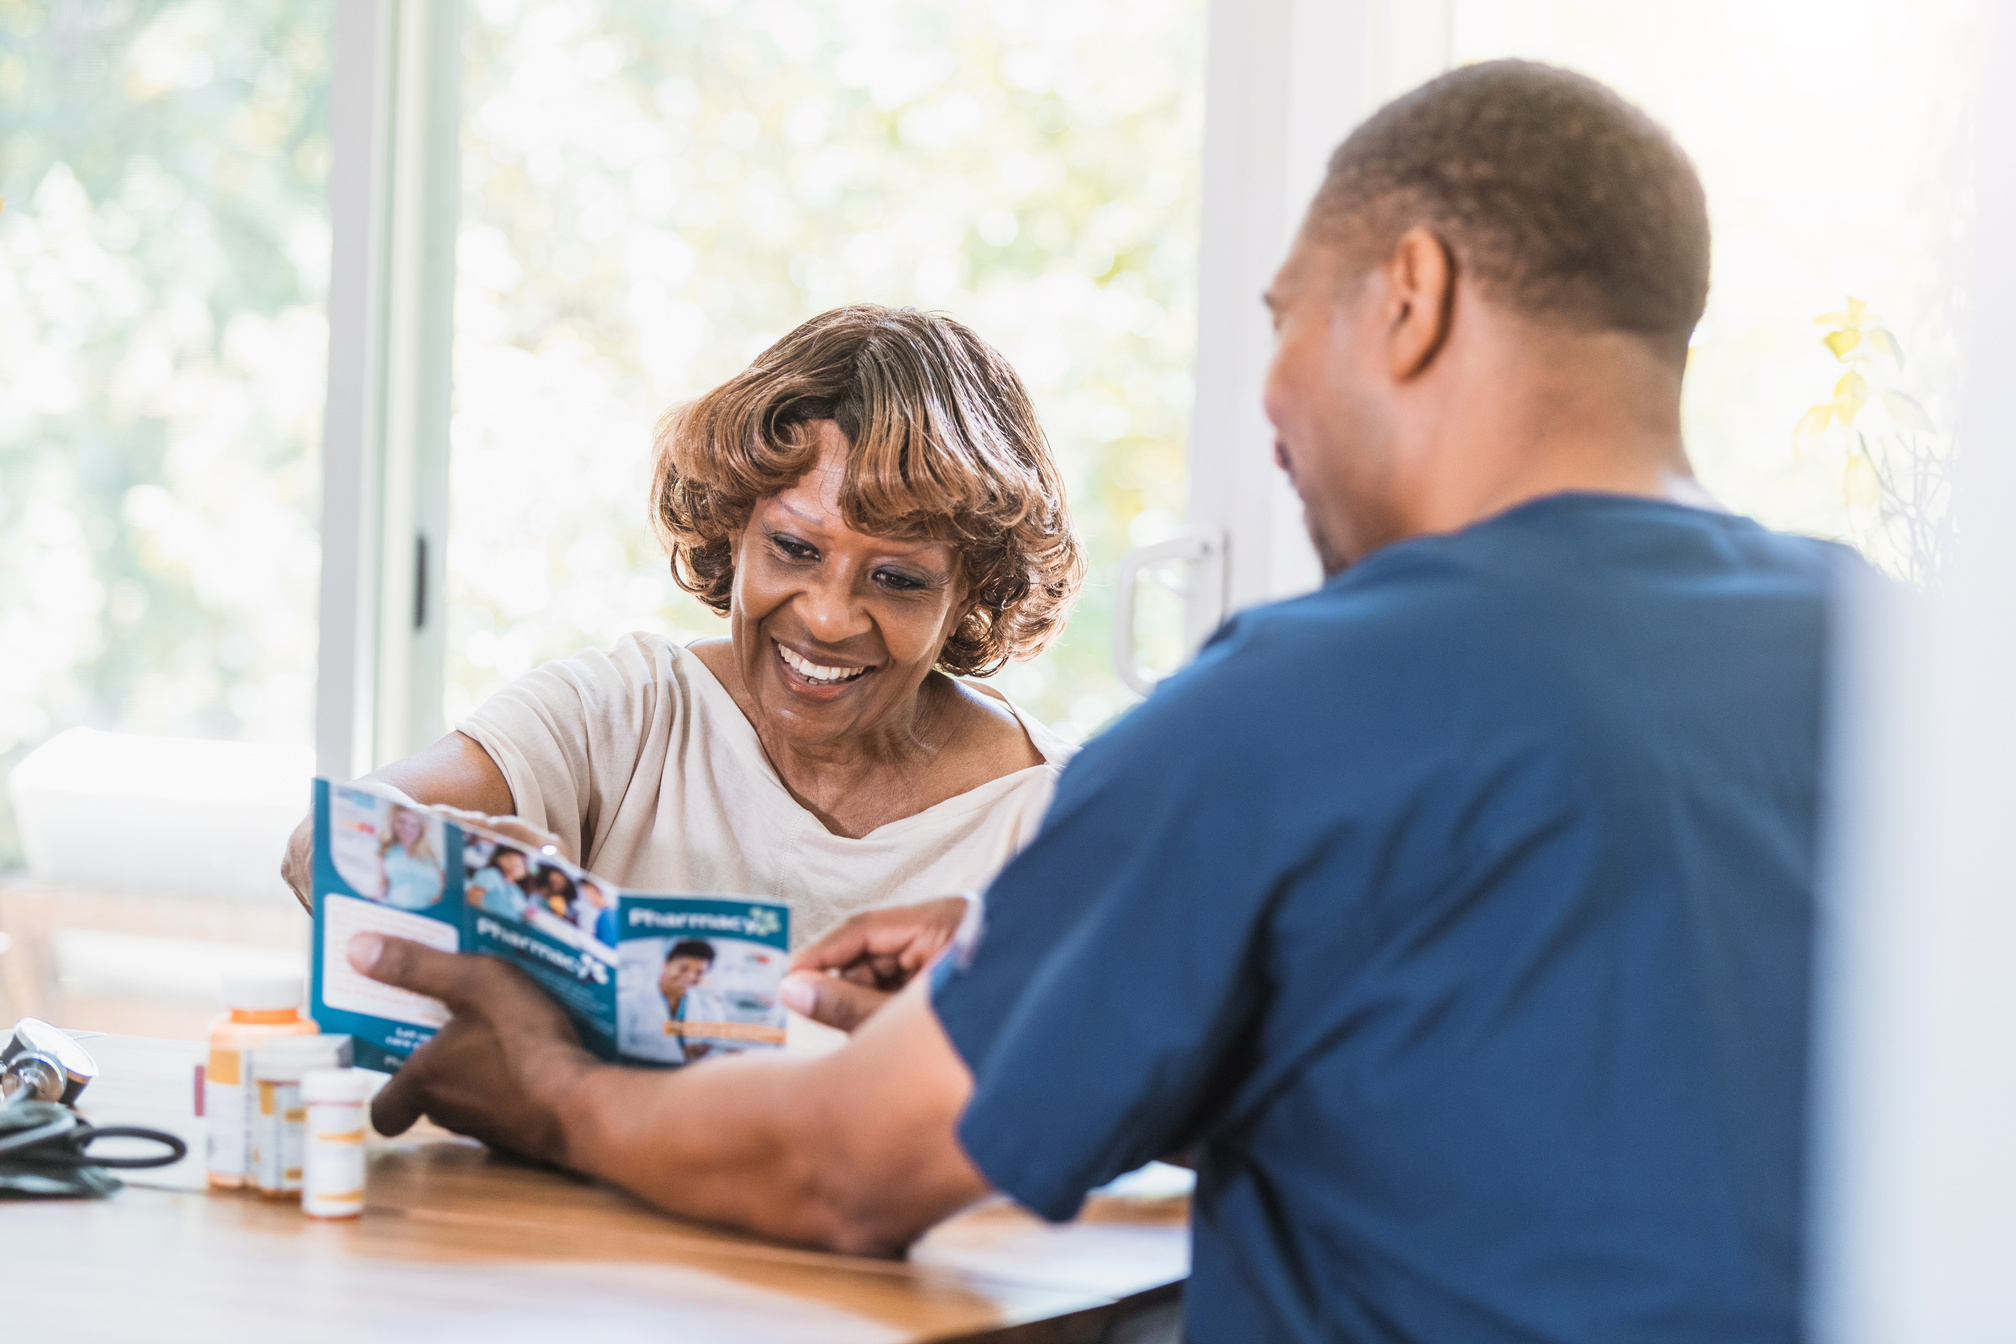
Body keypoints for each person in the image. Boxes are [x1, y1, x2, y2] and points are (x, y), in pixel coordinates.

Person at [348, 61, 1848, 1343]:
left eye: (1284, 317)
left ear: (1408, 300)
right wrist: (1052, 967)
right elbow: (1527, 1094)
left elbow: (845, 1177)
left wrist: (542, 1089)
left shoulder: (1293, 708)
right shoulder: (1910, 672)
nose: (1267, 406)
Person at [283, 305, 1084, 944]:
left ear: (972, 589)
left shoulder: (1050, 822)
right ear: (735, 527)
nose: (829, 616)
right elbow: (336, 841)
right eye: (795, 548)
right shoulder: (627, 716)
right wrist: (411, 857)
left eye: (898, 579)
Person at [376, 805, 444, 910]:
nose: (407, 828)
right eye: (402, 822)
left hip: (428, 912)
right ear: (394, 823)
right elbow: (383, 883)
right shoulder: (386, 849)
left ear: (420, 830)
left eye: (413, 825)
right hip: (394, 908)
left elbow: (443, 889)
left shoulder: (432, 857)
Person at [659, 939, 717, 1064]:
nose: (690, 976)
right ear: (666, 964)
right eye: (683, 968)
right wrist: (679, 1054)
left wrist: (701, 1050)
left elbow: (714, 1043)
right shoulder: (629, 1001)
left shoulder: (707, 1005)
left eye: (699, 972)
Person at [464, 847, 532, 921]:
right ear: (500, 859)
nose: (519, 866)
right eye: (509, 857)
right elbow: (473, 897)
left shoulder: (517, 890)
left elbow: (521, 913)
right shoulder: (491, 874)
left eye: (522, 864)